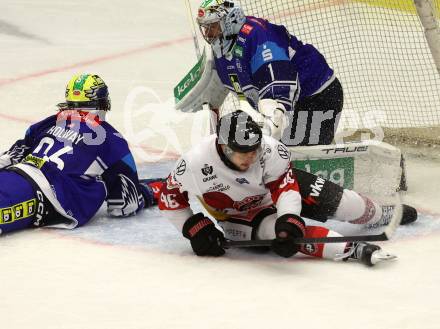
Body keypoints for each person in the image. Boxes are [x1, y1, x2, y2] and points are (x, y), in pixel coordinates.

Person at [158, 110, 417, 266]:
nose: (251, 158)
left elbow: (285, 187)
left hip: (273, 191)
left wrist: (290, 218)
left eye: (254, 150)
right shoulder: (194, 164)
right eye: (243, 153)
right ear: (224, 149)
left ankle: (380, 213)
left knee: (347, 205)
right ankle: (352, 250)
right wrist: (195, 229)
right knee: (278, 233)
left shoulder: (270, 149)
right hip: (240, 215)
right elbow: (168, 197)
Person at [0, 73, 156, 234]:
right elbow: (124, 206)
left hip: (14, 175)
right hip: (41, 196)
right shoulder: (112, 139)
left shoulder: (48, 122)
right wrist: (148, 192)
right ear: (102, 101)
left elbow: (8, 158)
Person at [196, 0, 344, 146]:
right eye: (205, 28)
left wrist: (275, 120)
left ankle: (319, 148)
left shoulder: (260, 38)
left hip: (319, 97)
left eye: (212, 27)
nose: (208, 33)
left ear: (230, 20)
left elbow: (280, 90)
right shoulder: (223, 45)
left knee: (283, 150)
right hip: (293, 103)